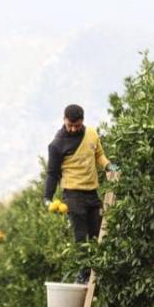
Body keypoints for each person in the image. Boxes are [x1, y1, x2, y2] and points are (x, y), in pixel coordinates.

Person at [43, 104, 115, 283]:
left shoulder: (91, 134)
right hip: (73, 195)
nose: (73, 129)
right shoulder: (57, 145)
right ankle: (83, 275)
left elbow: (99, 154)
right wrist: (47, 198)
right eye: (70, 125)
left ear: (82, 121)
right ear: (64, 120)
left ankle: (97, 272)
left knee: (98, 234)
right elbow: (52, 174)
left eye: (77, 125)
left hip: (92, 193)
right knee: (81, 237)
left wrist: (108, 165)